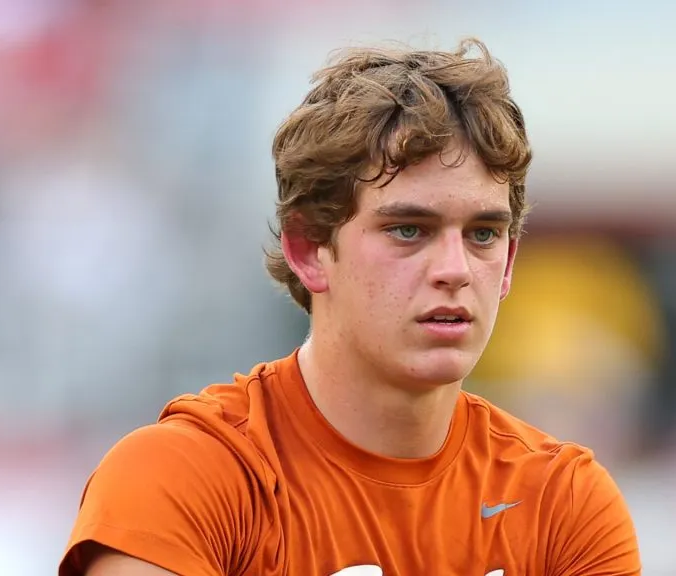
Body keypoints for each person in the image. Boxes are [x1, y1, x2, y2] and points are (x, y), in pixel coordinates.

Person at [59, 37, 641, 576]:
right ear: (309, 248)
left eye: (483, 234)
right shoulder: (182, 478)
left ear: (510, 261)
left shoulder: (564, 502)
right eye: (409, 230)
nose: (455, 270)